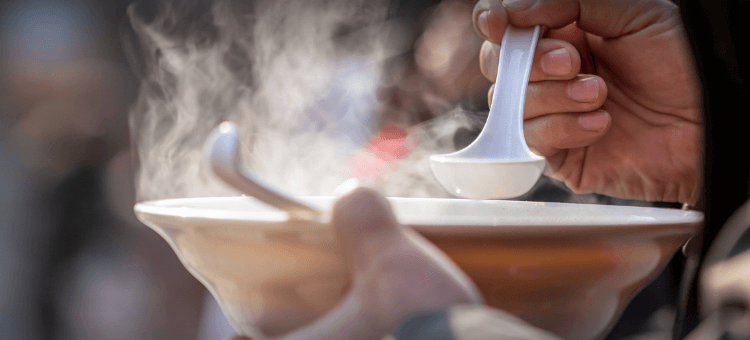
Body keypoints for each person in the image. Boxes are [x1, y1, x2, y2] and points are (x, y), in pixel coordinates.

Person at [235, 0, 703, 338]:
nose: (452, 34)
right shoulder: (403, 138)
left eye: (462, 12)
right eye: (448, 12)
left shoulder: (558, 155)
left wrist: (437, 325)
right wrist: (702, 155)